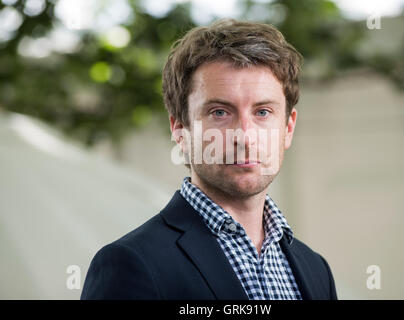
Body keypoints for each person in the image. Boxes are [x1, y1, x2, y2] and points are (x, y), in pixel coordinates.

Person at [81, 19, 338, 300]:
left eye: (263, 112)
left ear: (288, 129)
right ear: (180, 129)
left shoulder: (316, 270)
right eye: (219, 112)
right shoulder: (129, 264)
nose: (245, 136)